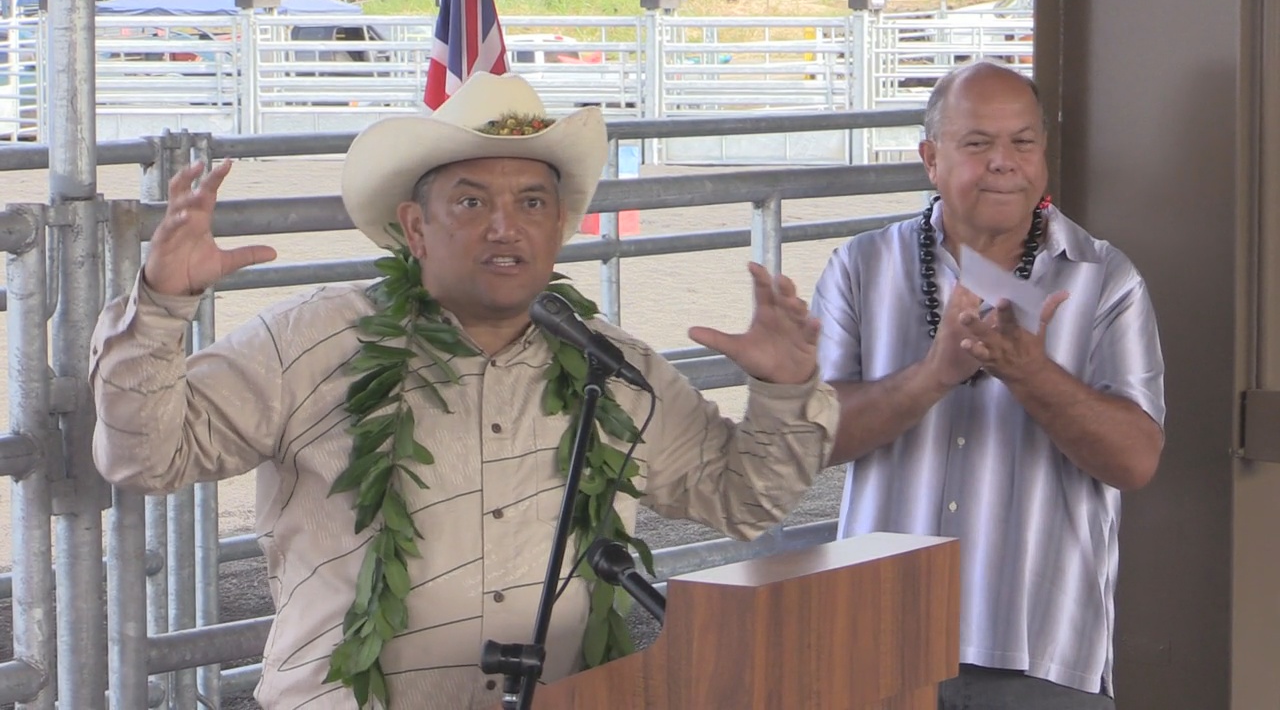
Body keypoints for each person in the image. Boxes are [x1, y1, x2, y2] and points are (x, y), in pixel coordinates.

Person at [88, 72, 838, 709]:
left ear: (561, 231)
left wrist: (785, 388)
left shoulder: (613, 369)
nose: (505, 228)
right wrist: (158, 307)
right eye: (472, 202)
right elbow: (146, 459)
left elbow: (745, 501)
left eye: (532, 204)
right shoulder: (312, 341)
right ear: (415, 228)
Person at [811, 60, 1165, 709]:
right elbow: (817, 437)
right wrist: (933, 375)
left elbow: (1137, 459)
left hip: (1044, 654)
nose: (1004, 162)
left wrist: (1032, 375)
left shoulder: (1105, 278)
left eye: (1022, 142)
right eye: (977, 143)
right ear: (930, 158)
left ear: (1043, 156)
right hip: (875, 644)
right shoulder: (859, 267)